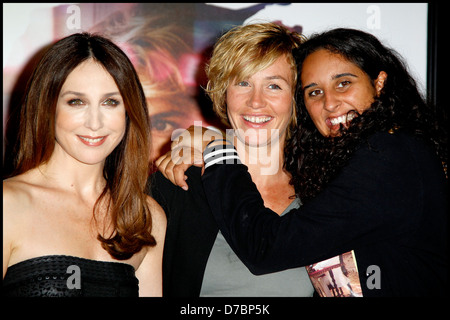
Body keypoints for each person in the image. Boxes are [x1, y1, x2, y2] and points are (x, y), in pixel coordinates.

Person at [169, 28, 447, 296]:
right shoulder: (327, 174)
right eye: (314, 91)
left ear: (379, 83)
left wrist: (217, 148)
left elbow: (265, 248)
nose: (330, 103)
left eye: (343, 83)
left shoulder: (388, 158)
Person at [152, 22, 315, 296]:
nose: (255, 101)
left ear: (296, 98)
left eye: (274, 86)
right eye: (242, 82)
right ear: (222, 92)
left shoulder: (322, 188)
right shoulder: (181, 180)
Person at [2, 32, 166, 297]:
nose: (94, 122)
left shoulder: (144, 215)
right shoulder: (8, 205)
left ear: (128, 112)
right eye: (76, 102)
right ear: (48, 107)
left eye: (110, 102)